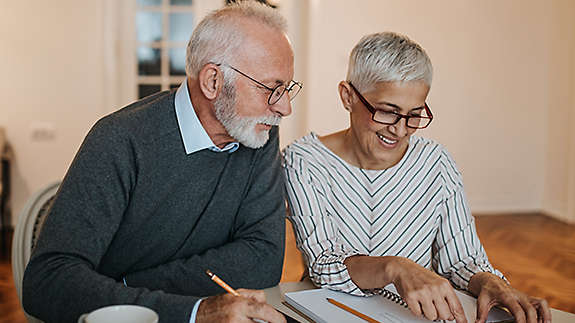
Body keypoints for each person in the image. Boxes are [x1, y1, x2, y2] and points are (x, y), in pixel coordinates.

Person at [22, 2, 302, 323]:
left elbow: (263, 258)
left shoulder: (257, 133)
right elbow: (47, 281)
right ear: (213, 82)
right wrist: (195, 311)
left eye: (287, 88)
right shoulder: (119, 140)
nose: (283, 108)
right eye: (271, 88)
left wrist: (128, 286)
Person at [283, 32, 550, 323]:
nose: (400, 131)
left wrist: (489, 282)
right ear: (348, 96)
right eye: (387, 112)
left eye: (414, 114)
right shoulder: (304, 161)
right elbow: (324, 265)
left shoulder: (435, 161)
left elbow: (461, 260)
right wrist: (395, 268)